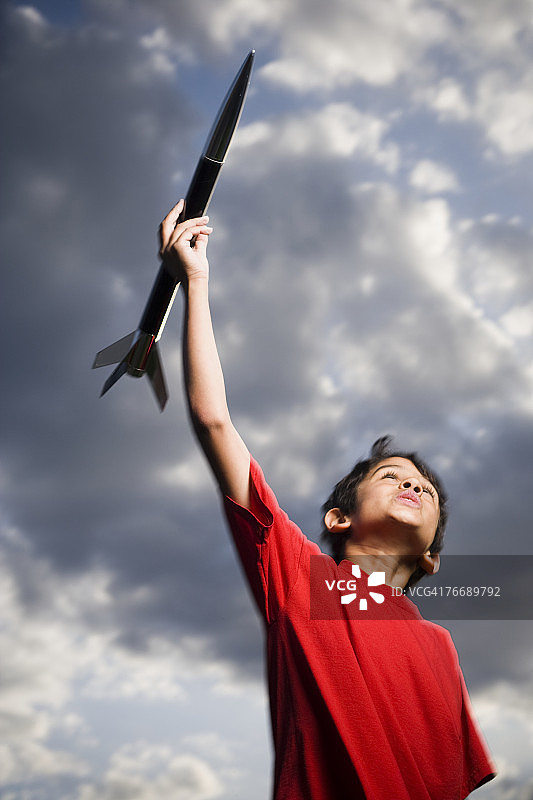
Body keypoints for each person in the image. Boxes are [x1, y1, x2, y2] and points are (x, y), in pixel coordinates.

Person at [159, 200, 497, 799]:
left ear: (432, 559)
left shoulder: (439, 646)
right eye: (393, 476)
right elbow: (214, 422)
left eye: (425, 489)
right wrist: (196, 281)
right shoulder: (305, 579)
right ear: (338, 518)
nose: (414, 484)